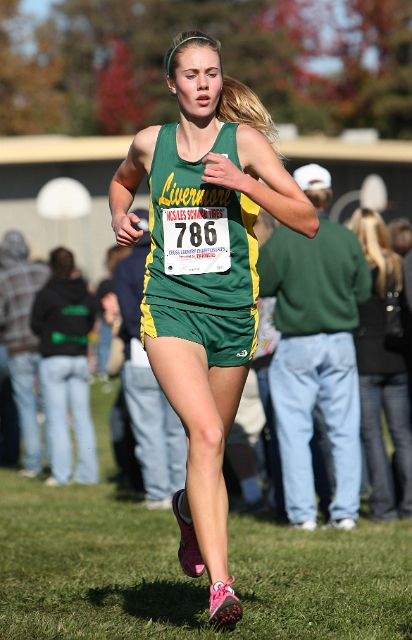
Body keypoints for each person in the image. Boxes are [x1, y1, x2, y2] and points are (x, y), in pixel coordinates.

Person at [109, 30, 318, 630]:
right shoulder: (151, 144)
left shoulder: (244, 143)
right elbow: (122, 182)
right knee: (204, 433)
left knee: (212, 445)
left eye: (212, 73)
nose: (203, 84)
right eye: (191, 75)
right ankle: (222, 588)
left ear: (221, 80)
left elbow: (306, 219)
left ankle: (185, 510)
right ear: (172, 83)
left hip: (233, 313)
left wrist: (246, 183)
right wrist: (121, 217)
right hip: (170, 307)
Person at [259, 163, 372, 531]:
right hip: (340, 341)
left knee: (293, 433)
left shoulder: (283, 238)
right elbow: (363, 291)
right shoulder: (346, 237)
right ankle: (346, 513)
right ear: (330, 194)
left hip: (297, 344)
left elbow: (265, 285)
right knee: (343, 430)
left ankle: (303, 515)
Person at [109, 209, 187, 509]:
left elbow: (130, 314)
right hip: (176, 352)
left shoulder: (125, 267)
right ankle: (181, 492)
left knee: (148, 431)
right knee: (176, 429)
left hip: (141, 356)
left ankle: (157, 493)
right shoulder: (172, 257)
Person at [347, 208, 412, 520]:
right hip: (396, 359)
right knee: (402, 434)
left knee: (371, 435)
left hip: (365, 360)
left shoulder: (355, 264)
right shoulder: (397, 263)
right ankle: (409, 505)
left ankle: (383, 506)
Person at [31, 247, 99, 486]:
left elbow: (35, 325)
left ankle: (61, 475)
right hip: (79, 359)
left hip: (54, 359)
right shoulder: (86, 292)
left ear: (51, 265)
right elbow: (92, 318)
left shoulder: (46, 293)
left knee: (57, 418)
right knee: (82, 418)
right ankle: (88, 474)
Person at [0, 230, 50, 477]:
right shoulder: (43, 272)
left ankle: (32, 463)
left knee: (26, 406)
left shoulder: (4, 277)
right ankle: (53, 458)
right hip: (46, 345)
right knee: (49, 403)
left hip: (17, 347)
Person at [95, 245, 132, 376]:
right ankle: (109, 370)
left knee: (112, 346)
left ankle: (108, 370)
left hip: (121, 322)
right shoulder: (110, 282)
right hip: (113, 321)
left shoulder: (113, 282)